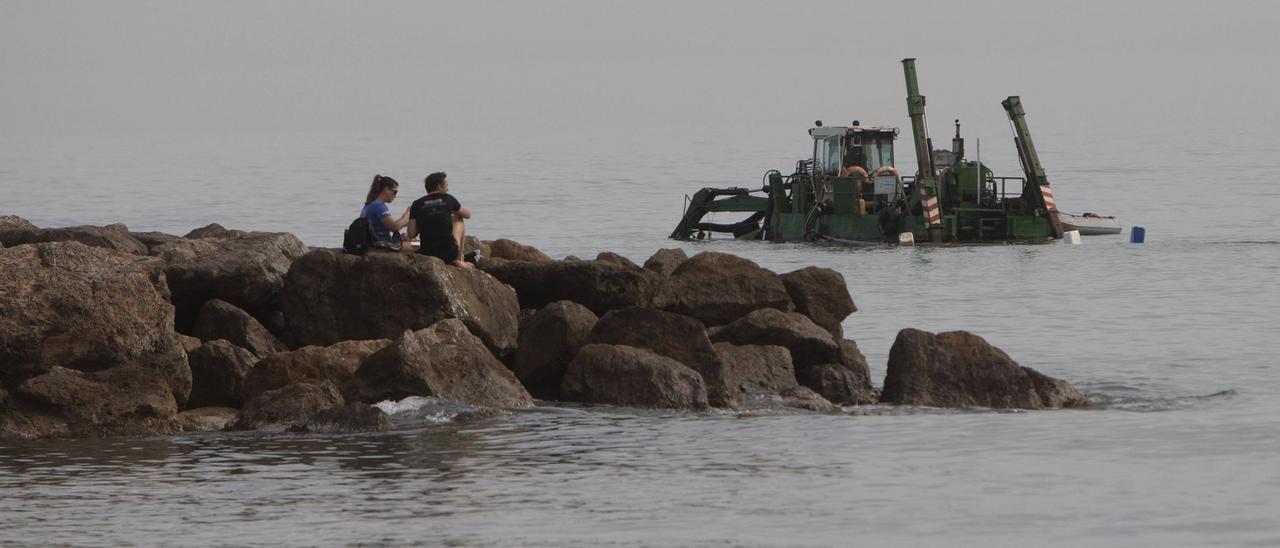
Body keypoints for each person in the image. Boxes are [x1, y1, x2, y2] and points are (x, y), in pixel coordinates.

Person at [407, 171, 473, 270]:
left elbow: (411, 234)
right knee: (459, 218)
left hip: (427, 252)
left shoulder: (416, 204)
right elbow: (467, 215)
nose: (448, 189)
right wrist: (452, 210)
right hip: (449, 253)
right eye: (446, 185)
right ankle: (459, 259)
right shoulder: (448, 198)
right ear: (439, 187)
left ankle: (456, 258)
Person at [361, 175, 411, 246]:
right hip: (380, 244)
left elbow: (390, 224)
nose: (395, 196)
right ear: (386, 190)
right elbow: (395, 227)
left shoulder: (371, 204)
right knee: (417, 245)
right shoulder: (378, 206)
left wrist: (406, 223)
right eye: (395, 192)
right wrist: (407, 214)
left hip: (375, 241)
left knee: (406, 237)